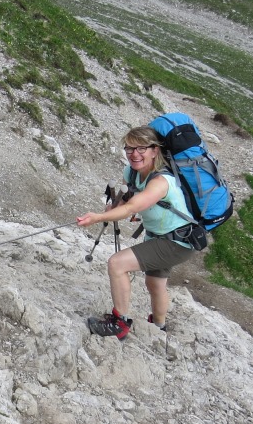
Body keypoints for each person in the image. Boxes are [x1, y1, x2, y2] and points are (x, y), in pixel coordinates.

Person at [76, 125, 197, 339]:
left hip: (176, 242)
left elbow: (132, 208)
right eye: (130, 148)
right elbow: (126, 200)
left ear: (155, 151)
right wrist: (114, 207)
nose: (134, 154)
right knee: (155, 283)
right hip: (164, 236)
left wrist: (98, 217)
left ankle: (119, 324)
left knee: (117, 263)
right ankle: (159, 326)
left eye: (141, 148)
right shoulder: (131, 172)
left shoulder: (161, 182)